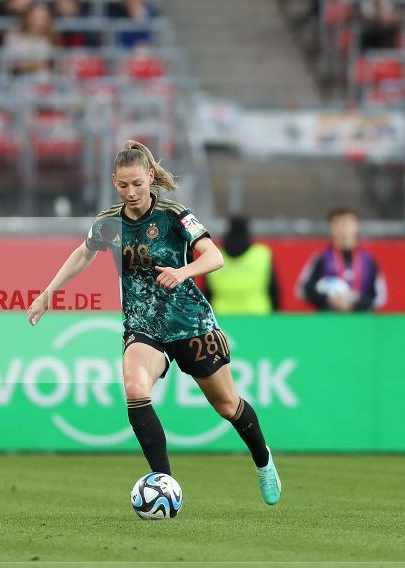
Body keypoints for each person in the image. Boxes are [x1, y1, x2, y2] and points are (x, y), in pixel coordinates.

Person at [27, 140, 281, 506]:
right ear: (114, 181)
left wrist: (183, 271)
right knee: (134, 387)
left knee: (227, 406)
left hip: (191, 322)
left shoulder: (175, 215)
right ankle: (164, 483)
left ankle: (263, 460)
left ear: (150, 177)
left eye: (137, 184)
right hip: (144, 327)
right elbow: (84, 252)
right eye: (123, 185)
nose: (131, 192)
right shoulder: (109, 223)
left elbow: (214, 256)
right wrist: (49, 291)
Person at [297, 207, 387, 312]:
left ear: (356, 226)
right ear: (331, 228)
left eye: (347, 223)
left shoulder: (369, 260)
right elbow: (303, 290)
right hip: (329, 319)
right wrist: (328, 299)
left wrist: (354, 305)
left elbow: (379, 297)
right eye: (338, 224)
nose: (343, 228)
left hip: (361, 320)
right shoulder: (321, 258)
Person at [204, 216, 280, 314]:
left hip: (221, 316)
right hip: (258, 315)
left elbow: (207, 291)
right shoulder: (262, 254)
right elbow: (274, 289)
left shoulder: (214, 255)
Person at [3, 2, 57, 75]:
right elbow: (10, 63)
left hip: (41, 81)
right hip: (16, 80)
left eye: (43, 18)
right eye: (35, 17)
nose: (39, 22)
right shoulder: (13, 36)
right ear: (28, 17)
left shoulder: (50, 39)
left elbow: (45, 63)